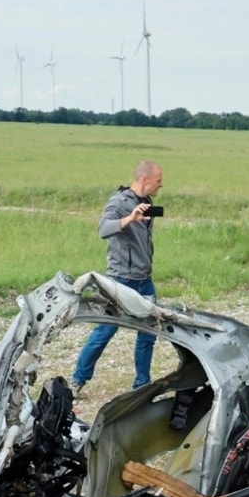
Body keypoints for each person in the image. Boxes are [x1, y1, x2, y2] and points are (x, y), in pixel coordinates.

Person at [72, 160, 166, 396]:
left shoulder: (146, 202)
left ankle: (142, 384)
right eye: (158, 180)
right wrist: (129, 219)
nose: (161, 185)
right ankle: (78, 380)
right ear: (145, 179)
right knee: (105, 331)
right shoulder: (119, 201)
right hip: (120, 279)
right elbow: (103, 229)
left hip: (144, 279)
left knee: (148, 332)